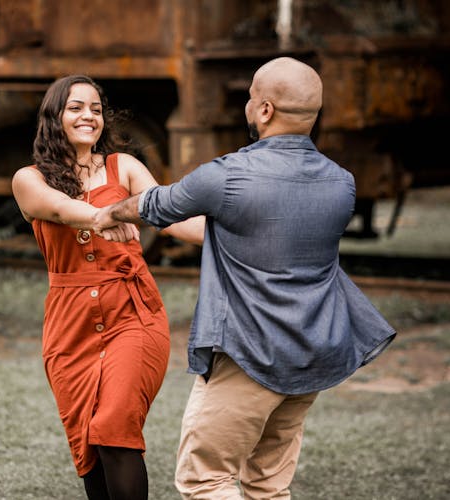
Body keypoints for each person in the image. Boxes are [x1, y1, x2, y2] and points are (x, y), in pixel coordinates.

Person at [93, 57, 397, 499]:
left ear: (266, 110)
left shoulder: (229, 175)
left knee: (205, 479)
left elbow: (157, 204)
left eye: (251, 97)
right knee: (269, 486)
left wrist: (107, 213)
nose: (248, 106)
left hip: (251, 353)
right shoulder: (341, 184)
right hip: (311, 354)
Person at [11, 74, 204, 500]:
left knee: (114, 426)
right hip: (70, 325)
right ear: (54, 116)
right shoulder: (29, 179)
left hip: (132, 314)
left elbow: (170, 216)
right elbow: (59, 209)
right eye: (76, 107)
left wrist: (236, 237)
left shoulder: (125, 167)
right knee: (89, 443)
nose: (88, 116)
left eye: (96, 109)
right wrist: (108, 216)